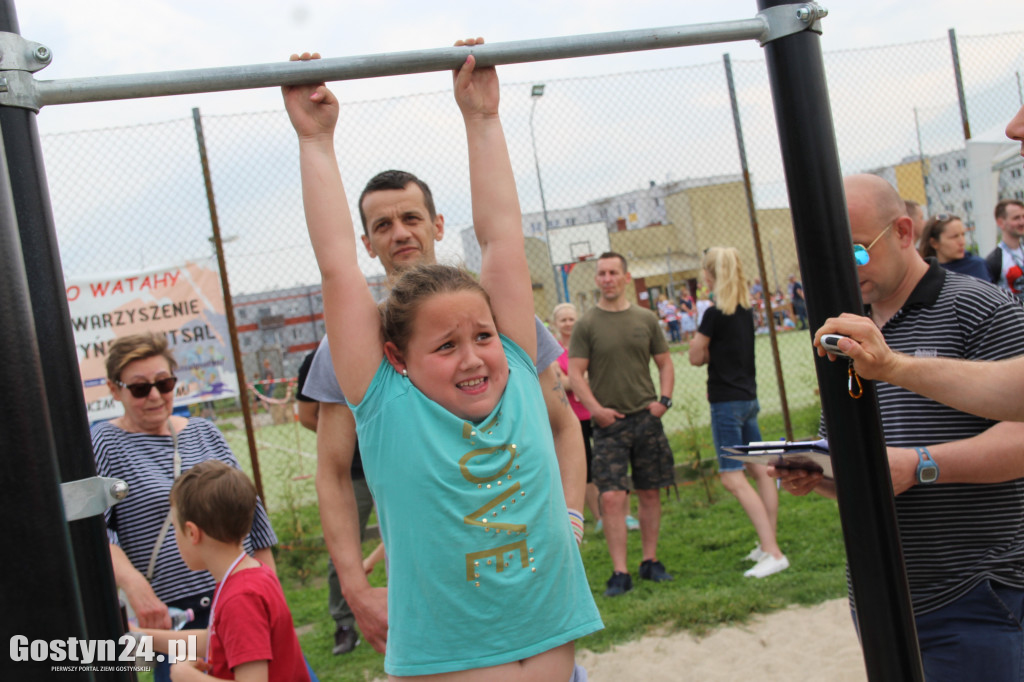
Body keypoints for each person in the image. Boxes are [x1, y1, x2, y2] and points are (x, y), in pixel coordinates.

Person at [283, 41, 601, 680]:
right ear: (397, 357)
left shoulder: (512, 364)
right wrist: (315, 141)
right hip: (449, 653)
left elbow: (502, 237)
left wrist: (482, 118)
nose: (473, 357)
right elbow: (338, 267)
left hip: (549, 632)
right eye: (446, 346)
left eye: (482, 336)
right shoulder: (385, 403)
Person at [775, 173, 1024, 682]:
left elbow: (1020, 436)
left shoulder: (977, 307)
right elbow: (869, 470)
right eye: (826, 257)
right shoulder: (843, 330)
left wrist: (922, 465)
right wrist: (821, 475)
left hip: (979, 591)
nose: (846, 267)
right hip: (879, 591)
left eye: (858, 251)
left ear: (905, 232)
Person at [92, 332, 277, 682]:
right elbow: (96, 529)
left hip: (236, 597)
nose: (155, 396)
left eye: (164, 383)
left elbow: (251, 515)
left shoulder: (204, 432)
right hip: (174, 617)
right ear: (114, 390)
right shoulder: (105, 442)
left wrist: (269, 594)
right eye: (139, 388)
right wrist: (133, 585)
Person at [568, 252, 676, 597]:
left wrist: (664, 401)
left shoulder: (645, 319)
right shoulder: (586, 324)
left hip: (647, 419)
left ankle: (650, 561)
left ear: (626, 277)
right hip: (609, 425)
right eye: (601, 273)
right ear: (596, 279)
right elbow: (575, 373)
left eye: (613, 272)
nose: (607, 278)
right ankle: (620, 571)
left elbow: (665, 363)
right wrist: (596, 410)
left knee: (649, 491)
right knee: (612, 498)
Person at [141, 461, 310, 682]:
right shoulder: (250, 575)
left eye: (175, 529)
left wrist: (188, 677)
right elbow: (213, 639)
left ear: (192, 533)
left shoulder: (241, 599)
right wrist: (143, 637)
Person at [688, 248, 788, 579]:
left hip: (726, 404)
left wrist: (700, 346)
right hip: (748, 399)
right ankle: (768, 543)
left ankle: (772, 551)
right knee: (760, 471)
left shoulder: (714, 314)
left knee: (732, 476)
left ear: (710, 274)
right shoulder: (745, 311)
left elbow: (695, 356)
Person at [295, 347, 362, 655]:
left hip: (395, 462)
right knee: (344, 548)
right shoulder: (320, 357)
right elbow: (308, 415)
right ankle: (344, 623)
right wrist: (345, 432)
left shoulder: (392, 334)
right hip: (352, 472)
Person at [551, 302, 639, 534]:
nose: (568, 324)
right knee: (586, 467)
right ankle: (599, 516)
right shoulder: (554, 351)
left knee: (613, 462)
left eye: (572, 319)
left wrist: (576, 379)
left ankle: (626, 514)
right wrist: (581, 377)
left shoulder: (587, 345)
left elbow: (588, 376)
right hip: (573, 418)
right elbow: (560, 382)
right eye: (563, 320)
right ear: (555, 324)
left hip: (598, 410)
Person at [918, 213, 989, 281]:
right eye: (954, 237)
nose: (962, 242)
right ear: (934, 243)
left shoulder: (976, 266)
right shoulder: (926, 273)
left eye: (963, 234)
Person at [984, 198, 1024, 302]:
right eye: (1016, 218)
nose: (1022, 222)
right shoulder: (994, 260)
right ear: (1001, 222)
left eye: (1023, 216)